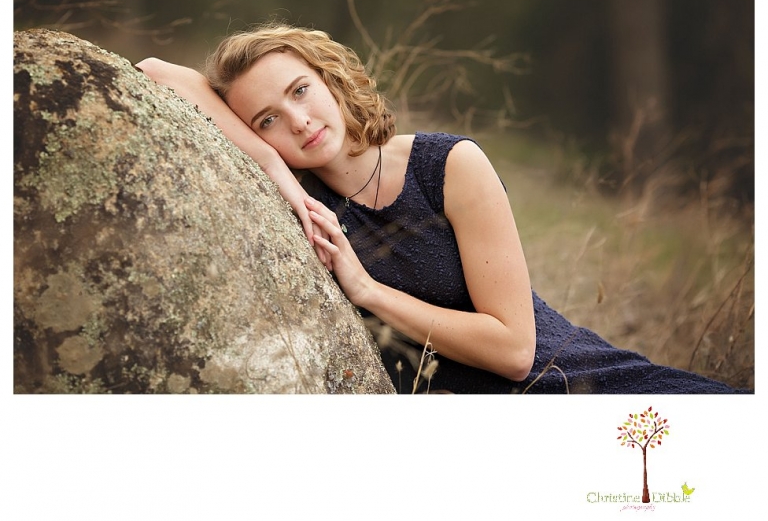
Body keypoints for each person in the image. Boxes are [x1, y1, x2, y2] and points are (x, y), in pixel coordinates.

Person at [136, 23, 748, 394]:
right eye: (267, 120)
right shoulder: (299, 200)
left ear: (330, 79)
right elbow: (155, 71)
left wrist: (368, 291)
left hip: (584, 386)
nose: (296, 121)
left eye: (300, 90)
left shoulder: (448, 165)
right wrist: (272, 167)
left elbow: (515, 352)